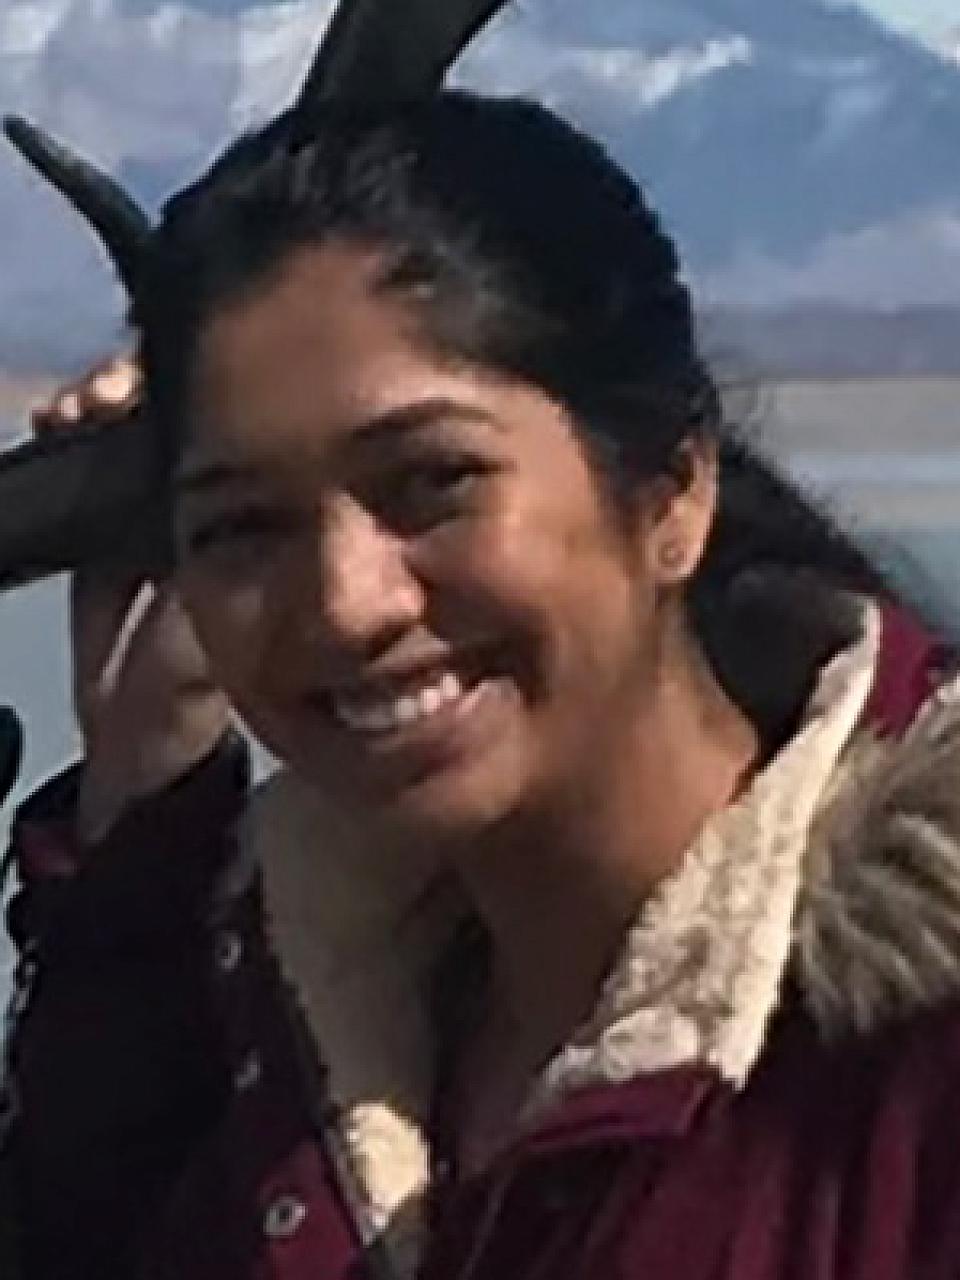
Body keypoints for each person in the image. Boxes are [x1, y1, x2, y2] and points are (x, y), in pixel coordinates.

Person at [4, 91, 960, 1280]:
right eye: (241, 527)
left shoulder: (909, 1075)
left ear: (673, 492)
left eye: (433, 480)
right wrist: (146, 797)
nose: (348, 600)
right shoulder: (299, 1047)